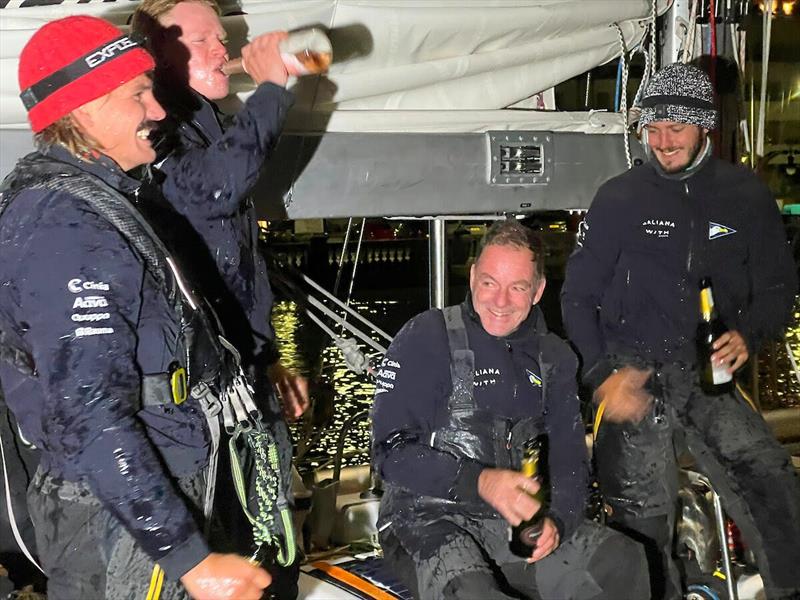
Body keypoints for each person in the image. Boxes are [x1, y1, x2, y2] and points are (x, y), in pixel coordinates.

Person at [0, 16, 271, 599]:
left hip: (154, 491)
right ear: (84, 109)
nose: (158, 110)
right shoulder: (65, 225)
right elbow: (88, 411)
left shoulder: (109, 199)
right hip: (117, 523)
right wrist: (189, 557)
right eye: (137, 94)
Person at [561, 63, 800, 600]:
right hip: (632, 374)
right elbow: (576, 297)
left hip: (708, 373)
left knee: (772, 486)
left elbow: (779, 289)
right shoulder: (618, 197)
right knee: (639, 527)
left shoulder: (746, 195)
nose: (663, 141)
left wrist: (749, 334)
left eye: (676, 127)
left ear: (704, 127)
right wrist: (602, 375)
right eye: (654, 127)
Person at [130, 2, 309, 595]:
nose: (222, 51)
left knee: (271, 550)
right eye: (201, 39)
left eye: (222, 37)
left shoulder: (209, 124)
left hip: (244, 380)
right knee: (228, 555)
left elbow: (236, 272)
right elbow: (213, 187)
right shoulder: (151, 134)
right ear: (156, 55)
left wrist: (270, 357)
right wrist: (273, 89)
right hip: (199, 408)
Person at [372, 220, 649, 600]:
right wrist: (481, 481)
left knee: (623, 560)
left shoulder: (555, 357)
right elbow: (389, 453)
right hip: (426, 522)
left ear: (538, 291)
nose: (500, 302)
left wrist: (560, 520)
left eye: (517, 287)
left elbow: (569, 460)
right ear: (472, 277)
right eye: (489, 283)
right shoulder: (425, 335)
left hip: (513, 526)